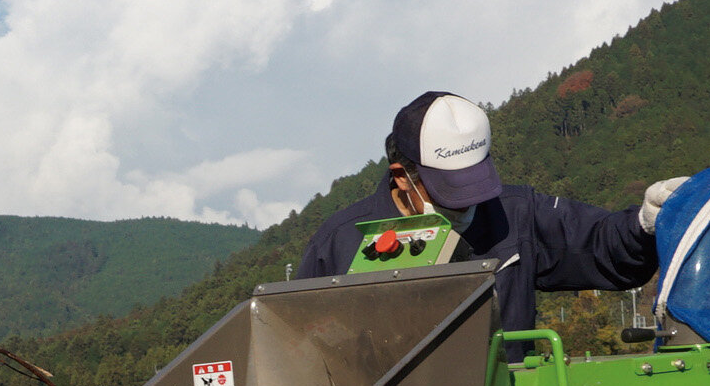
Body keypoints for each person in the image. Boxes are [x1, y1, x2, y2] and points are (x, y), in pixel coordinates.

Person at [294, 90, 688, 333]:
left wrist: (643, 224)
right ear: (402, 177)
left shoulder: (514, 215)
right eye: (451, 192)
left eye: (474, 188)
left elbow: (601, 246)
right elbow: (300, 342)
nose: (467, 206)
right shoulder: (340, 243)